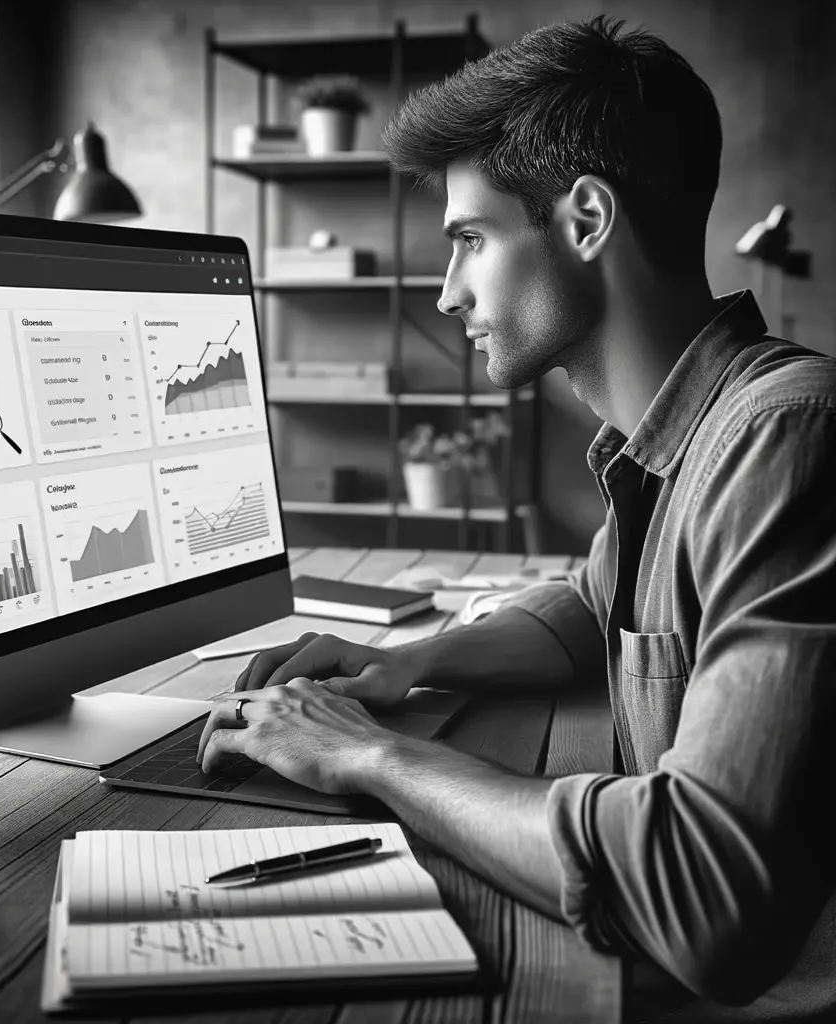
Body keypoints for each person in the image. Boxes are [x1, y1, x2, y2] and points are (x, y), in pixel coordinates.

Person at [197, 15, 836, 1020]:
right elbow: (592, 605)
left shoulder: (783, 438)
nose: (449, 293)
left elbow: (705, 891)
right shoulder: (671, 440)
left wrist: (373, 753)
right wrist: (408, 664)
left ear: (585, 220)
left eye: (469, 241)